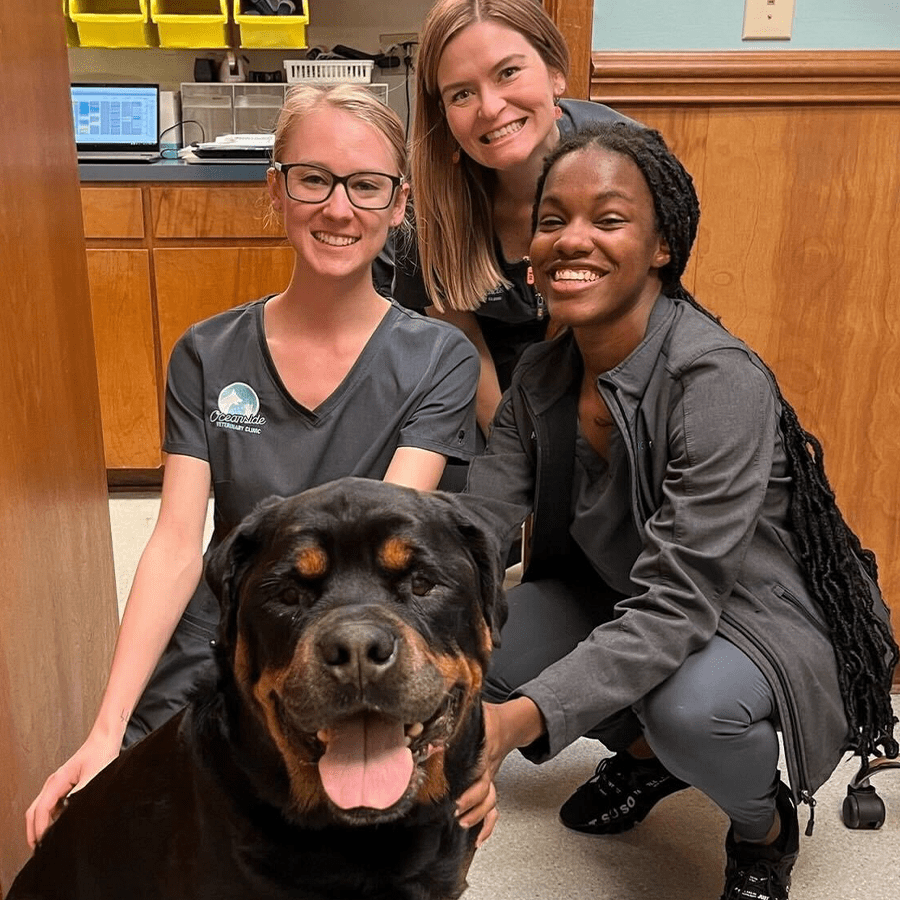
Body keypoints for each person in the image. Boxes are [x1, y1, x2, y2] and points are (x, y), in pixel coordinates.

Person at [26, 83, 480, 848]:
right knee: (134, 810)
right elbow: (176, 543)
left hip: (367, 622)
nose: (339, 209)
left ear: (399, 204)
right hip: (241, 617)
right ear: (276, 189)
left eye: (367, 186)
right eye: (314, 179)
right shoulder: (208, 353)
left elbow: (376, 542)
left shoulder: (439, 359)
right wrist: (105, 730)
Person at [456, 122, 898, 900]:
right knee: (477, 637)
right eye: (552, 219)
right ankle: (648, 757)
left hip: (745, 612)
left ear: (662, 247)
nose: (571, 239)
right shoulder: (543, 371)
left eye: (609, 218)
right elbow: (478, 523)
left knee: (691, 710)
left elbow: (679, 604)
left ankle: (762, 829)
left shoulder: (715, 379)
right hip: (621, 587)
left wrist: (516, 724)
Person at [395, 0, 633, 436]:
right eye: (461, 93)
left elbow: (638, 317)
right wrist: (516, 443)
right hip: (475, 386)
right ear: (443, 114)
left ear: (555, 73)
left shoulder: (627, 163)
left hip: (605, 368)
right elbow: (459, 342)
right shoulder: (425, 203)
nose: (490, 107)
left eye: (508, 73)